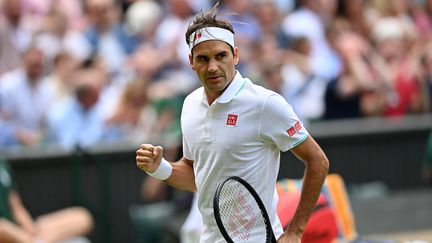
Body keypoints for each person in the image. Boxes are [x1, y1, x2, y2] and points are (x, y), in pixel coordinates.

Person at [136, 3, 329, 243]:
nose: (213, 67)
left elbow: (318, 161)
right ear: (191, 61)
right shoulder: (189, 105)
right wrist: (160, 167)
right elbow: (199, 177)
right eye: (203, 59)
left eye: (221, 56)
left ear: (235, 55)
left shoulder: (265, 103)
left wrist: (296, 230)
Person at [0, 159, 94, 243]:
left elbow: (17, 207)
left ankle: (39, 240)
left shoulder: (3, 166)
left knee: (82, 217)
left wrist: (30, 228)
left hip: (19, 232)